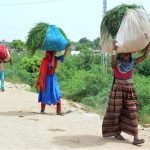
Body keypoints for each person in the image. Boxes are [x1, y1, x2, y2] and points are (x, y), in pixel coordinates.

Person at [102, 42, 150, 145]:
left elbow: (145, 56)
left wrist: (148, 44)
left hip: (129, 90)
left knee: (133, 112)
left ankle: (135, 137)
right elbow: (113, 58)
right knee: (116, 111)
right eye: (124, 53)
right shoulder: (116, 63)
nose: (126, 55)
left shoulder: (133, 62)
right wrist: (115, 49)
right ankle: (116, 133)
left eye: (127, 53)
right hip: (117, 89)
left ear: (130, 54)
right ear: (121, 54)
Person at [36, 44, 70, 115]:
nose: (54, 53)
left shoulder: (55, 58)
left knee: (56, 94)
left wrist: (67, 48)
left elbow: (64, 56)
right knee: (45, 94)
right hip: (46, 80)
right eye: (53, 52)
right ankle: (42, 110)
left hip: (53, 79)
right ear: (49, 53)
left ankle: (58, 111)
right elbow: (51, 66)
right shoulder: (45, 60)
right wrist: (53, 57)